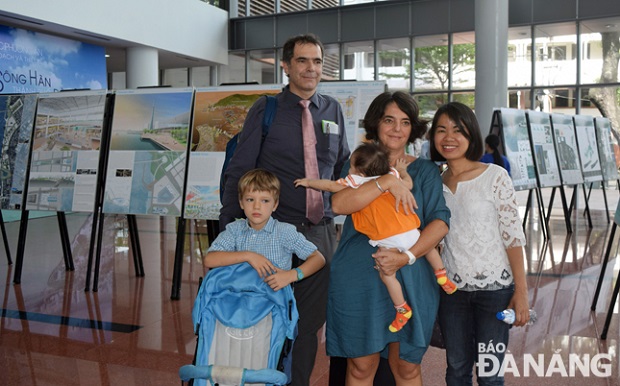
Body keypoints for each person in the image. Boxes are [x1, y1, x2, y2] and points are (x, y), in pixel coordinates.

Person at [219, 33, 350, 386]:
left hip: (319, 234)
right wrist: (228, 226)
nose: (311, 68)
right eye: (303, 61)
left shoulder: (332, 109)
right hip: (273, 233)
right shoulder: (267, 109)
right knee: (265, 317)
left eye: (318, 61)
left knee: (308, 326)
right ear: (287, 66)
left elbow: (343, 168)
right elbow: (241, 169)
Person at [326, 91, 450, 386]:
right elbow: (340, 205)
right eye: (389, 120)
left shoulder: (425, 171)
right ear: (376, 124)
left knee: (406, 367)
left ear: (413, 128)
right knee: (360, 367)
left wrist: (405, 256)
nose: (397, 129)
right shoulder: (358, 162)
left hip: (412, 272)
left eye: (405, 122)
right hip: (361, 274)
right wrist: (385, 181)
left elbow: (440, 223)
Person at [295, 141, 456, 333]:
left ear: (361, 172)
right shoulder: (392, 175)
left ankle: (402, 308)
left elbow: (329, 186)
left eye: (353, 167)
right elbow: (409, 184)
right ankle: (441, 274)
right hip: (408, 229)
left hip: (387, 238)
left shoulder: (356, 182)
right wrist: (402, 171)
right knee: (426, 243)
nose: (350, 170)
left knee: (387, 275)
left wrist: (309, 183)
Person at [428, 102, 529, 385]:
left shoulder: (495, 177)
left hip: (495, 291)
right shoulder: (434, 181)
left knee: (489, 373)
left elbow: (513, 237)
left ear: (471, 134)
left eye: (458, 130)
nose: (449, 137)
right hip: (451, 292)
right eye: (441, 130)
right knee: (456, 369)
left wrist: (521, 291)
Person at [205, 169, 325, 291]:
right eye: (250, 200)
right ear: (241, 203)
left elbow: (318, 258)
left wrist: (292, 275)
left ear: (275, 205)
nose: (256, 206)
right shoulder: (234, 230)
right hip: (239, 302)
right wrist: (249, 256)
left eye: (265, 200)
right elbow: (210, 260)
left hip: (273, 303)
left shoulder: (284, 231)